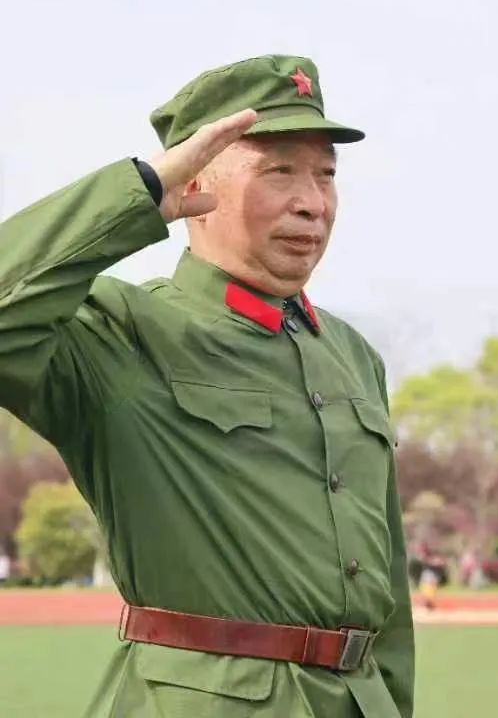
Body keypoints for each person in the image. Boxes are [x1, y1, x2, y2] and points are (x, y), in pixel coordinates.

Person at [0, 55, 414, 717]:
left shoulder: (353, 356)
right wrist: (136, 195)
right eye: (279, 171)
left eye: (326, 174)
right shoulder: (116, 333)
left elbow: (387, 596)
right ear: (193, 181)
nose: (313, 202)